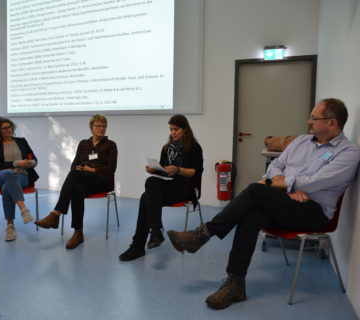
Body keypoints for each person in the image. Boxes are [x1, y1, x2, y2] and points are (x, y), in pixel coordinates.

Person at [167, 98, 360, 309]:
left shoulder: (348, 152)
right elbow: (276, 165)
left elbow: (318, 182)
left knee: (257, 189)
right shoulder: (301, 142)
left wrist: (282, 185)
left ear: (331, 122)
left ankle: (202, 235)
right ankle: (235, 283)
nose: (309, 121)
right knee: (252, 216)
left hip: (315, 212)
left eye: (314, 117)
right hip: (288, 202)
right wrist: (288, 187)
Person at [119, 115, 203, 261]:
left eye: (176, 129)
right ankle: (155, 231)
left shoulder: (194, 148)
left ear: (185, 130)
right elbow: (164, 171)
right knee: (151, 182)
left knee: (146, 198)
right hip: (169, 184)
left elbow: (195, 172)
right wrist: (155, 170)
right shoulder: (166, 148)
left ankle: (140, 245)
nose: (173, 133)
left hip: (186, 187)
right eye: (171, 129)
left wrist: (177, 169)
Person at [35, 114, 117, 249]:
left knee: (75, 176)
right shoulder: (84, 144)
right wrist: (79, 169)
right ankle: (78, 232)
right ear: (91, 127)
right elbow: (74, 164)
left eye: (104, 126)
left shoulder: (111, 145)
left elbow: (111, 168)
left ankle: (55, 214)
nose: (101, 129)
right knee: (77, 188)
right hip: (83, 180)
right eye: (98, 126)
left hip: (102, 181)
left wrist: (92, 170)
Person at [0, 117, 39, 241]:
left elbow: (34, 159)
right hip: (1, 175)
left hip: (21, 175)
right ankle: (23, 208)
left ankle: (10, 226)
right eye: (4, 128)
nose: (8, 130)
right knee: (8, 175)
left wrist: (30, 163)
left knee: (7, 188)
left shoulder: (21, 141)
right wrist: (16, 163)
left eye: (10, 127)